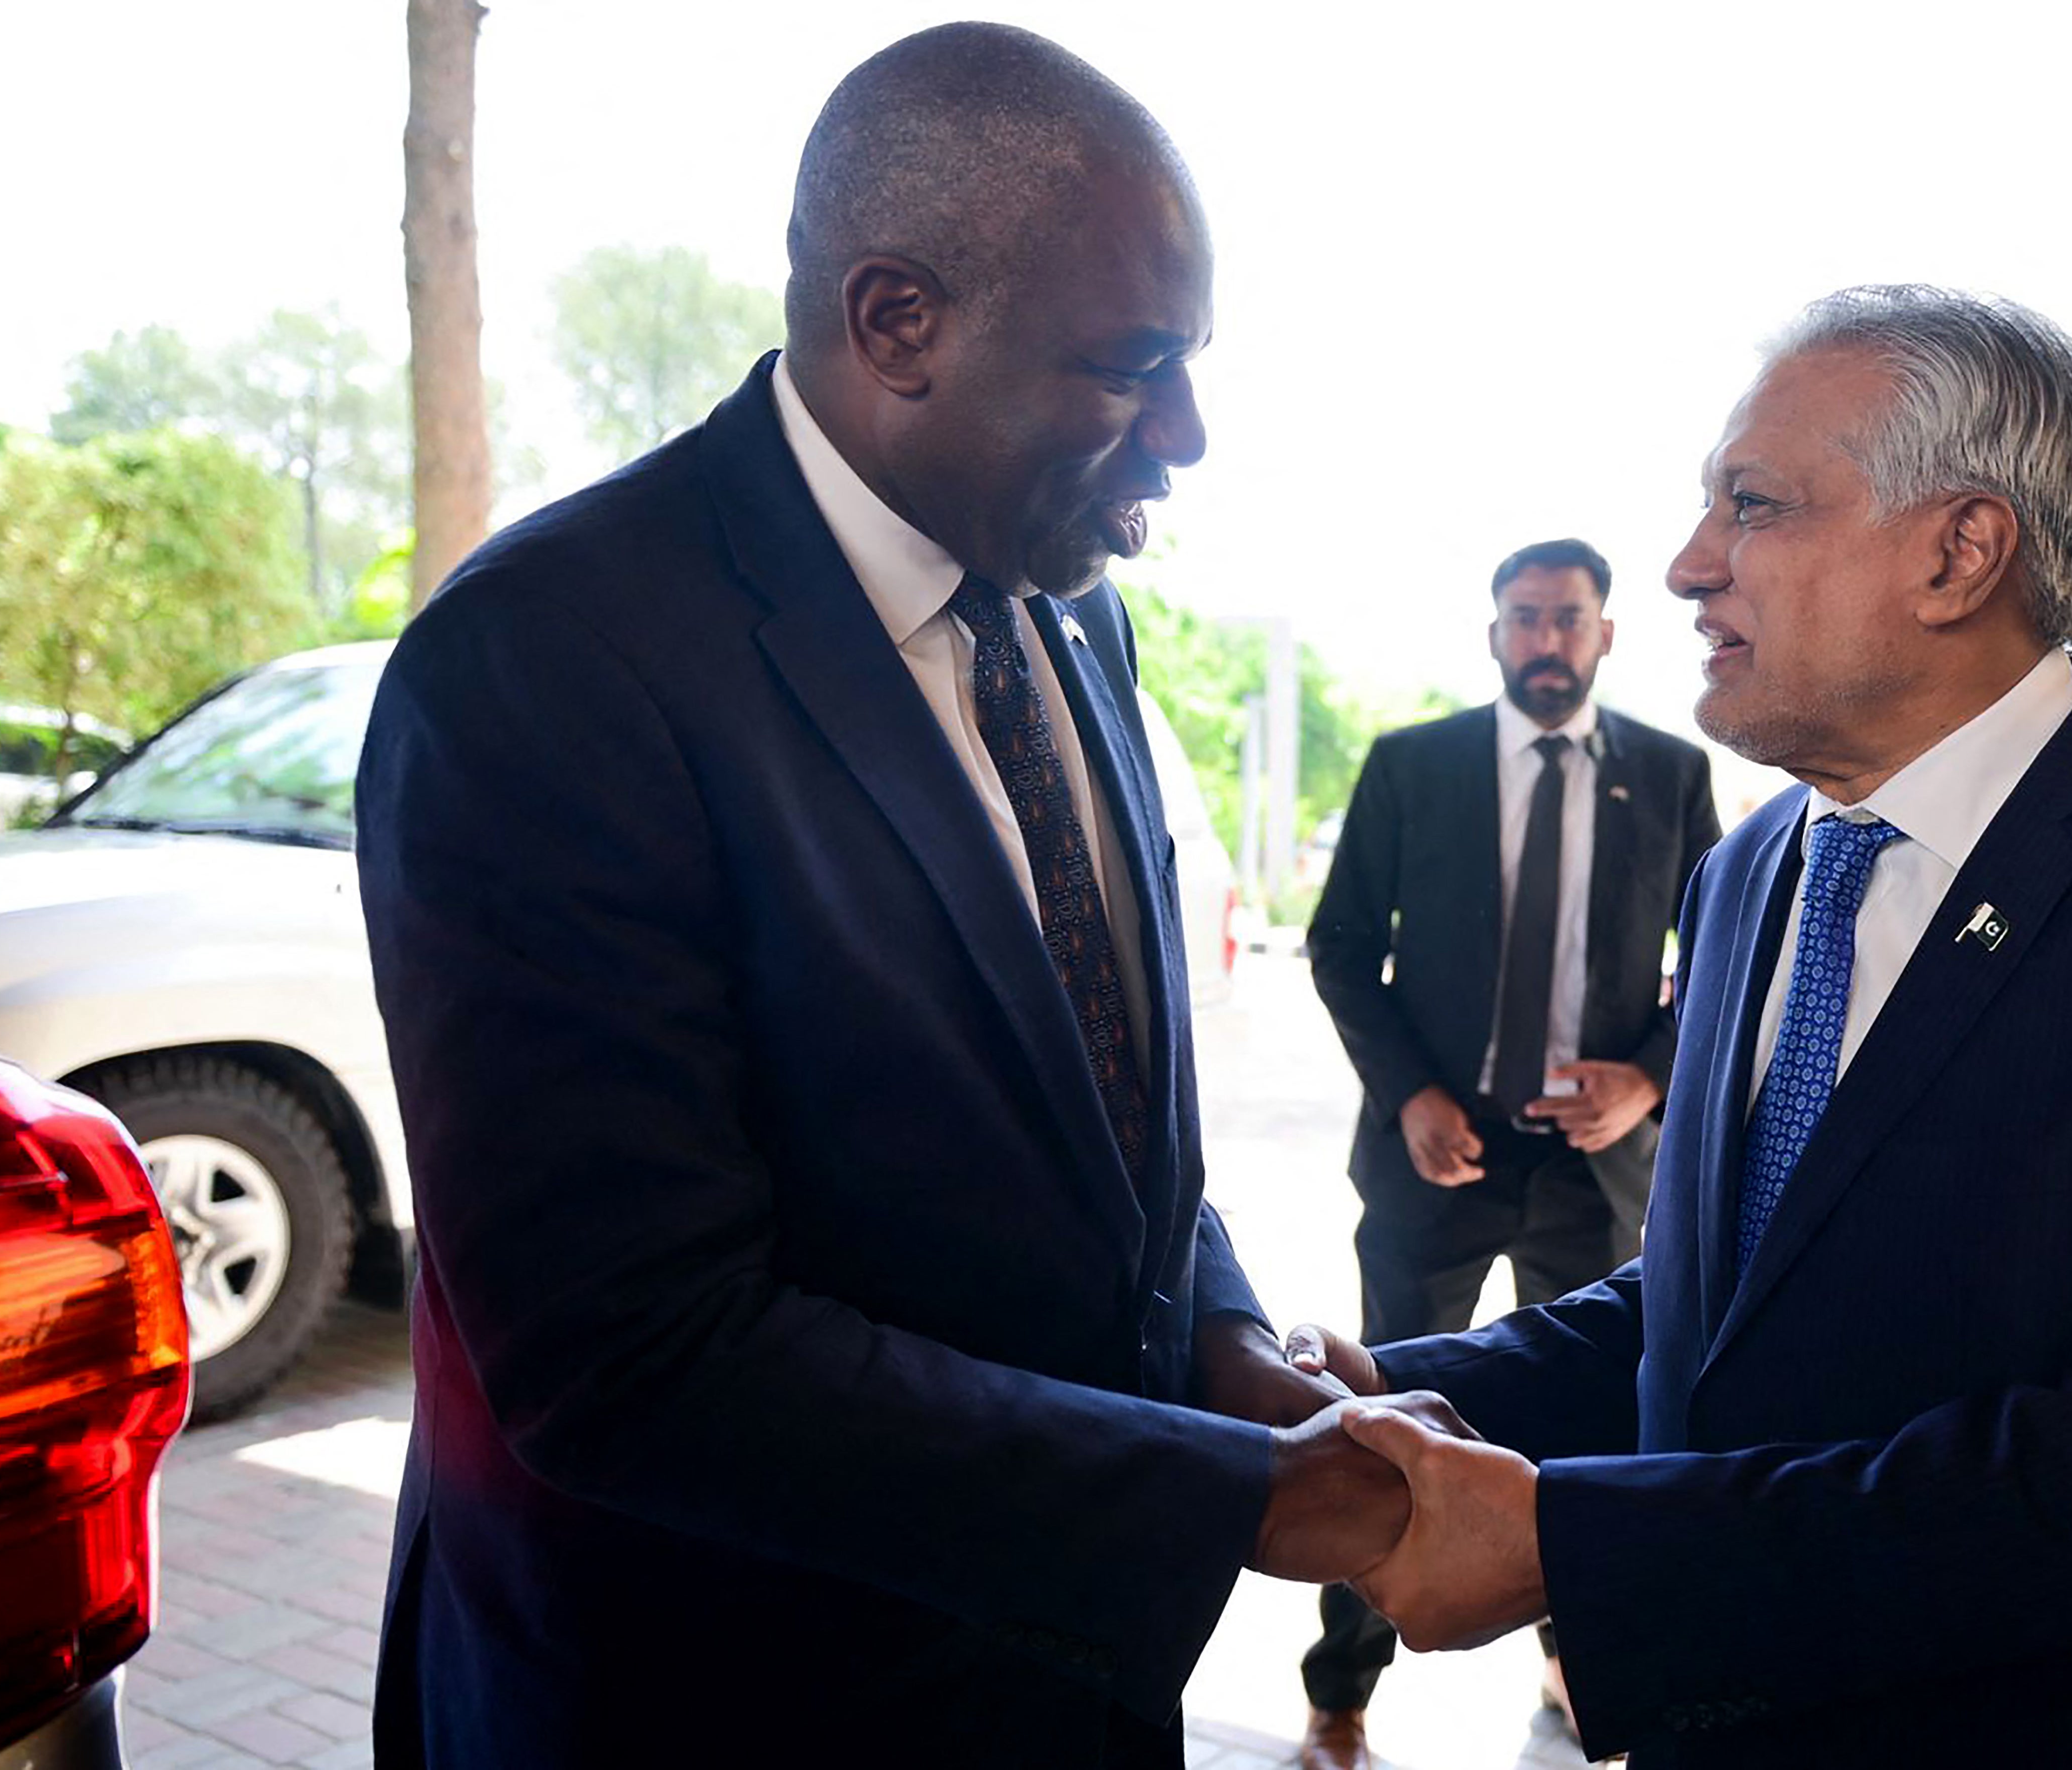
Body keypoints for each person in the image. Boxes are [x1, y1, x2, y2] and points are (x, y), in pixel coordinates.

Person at [356, 26, 1425, 1768]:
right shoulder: (547, 662)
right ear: (895, 322)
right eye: (1128, 367)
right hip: (723, 1702)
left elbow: (1101, 1114)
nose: (1189, 433)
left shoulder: (1073, 608)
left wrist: (1227, 1339)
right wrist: (1240, 1494)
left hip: (1053, 1674)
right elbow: (634, 1352)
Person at [1287, 285, 2072, 1768]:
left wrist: (1581, 1548)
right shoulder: (1761, 863)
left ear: (1960, 552)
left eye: (1750, 507)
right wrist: (1406, 1390)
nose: (1692, 569)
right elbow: (1728, 1292)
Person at [1297, 538, 1721, 1765]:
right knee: (1374, 1423)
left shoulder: (1673, 770)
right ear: (1494, 634)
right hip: (1441, 1156)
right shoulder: (1410, 766)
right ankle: (1340, 1691)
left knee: (1591, 1432)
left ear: (1604, 633)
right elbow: (1338, 948)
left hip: (1595, 1167)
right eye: (1525, 619)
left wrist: (1646, 1076)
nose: (1547, 640)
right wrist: (1412, 1092)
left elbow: (1713, 964)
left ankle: (1575, 1662)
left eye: (1569, 619)